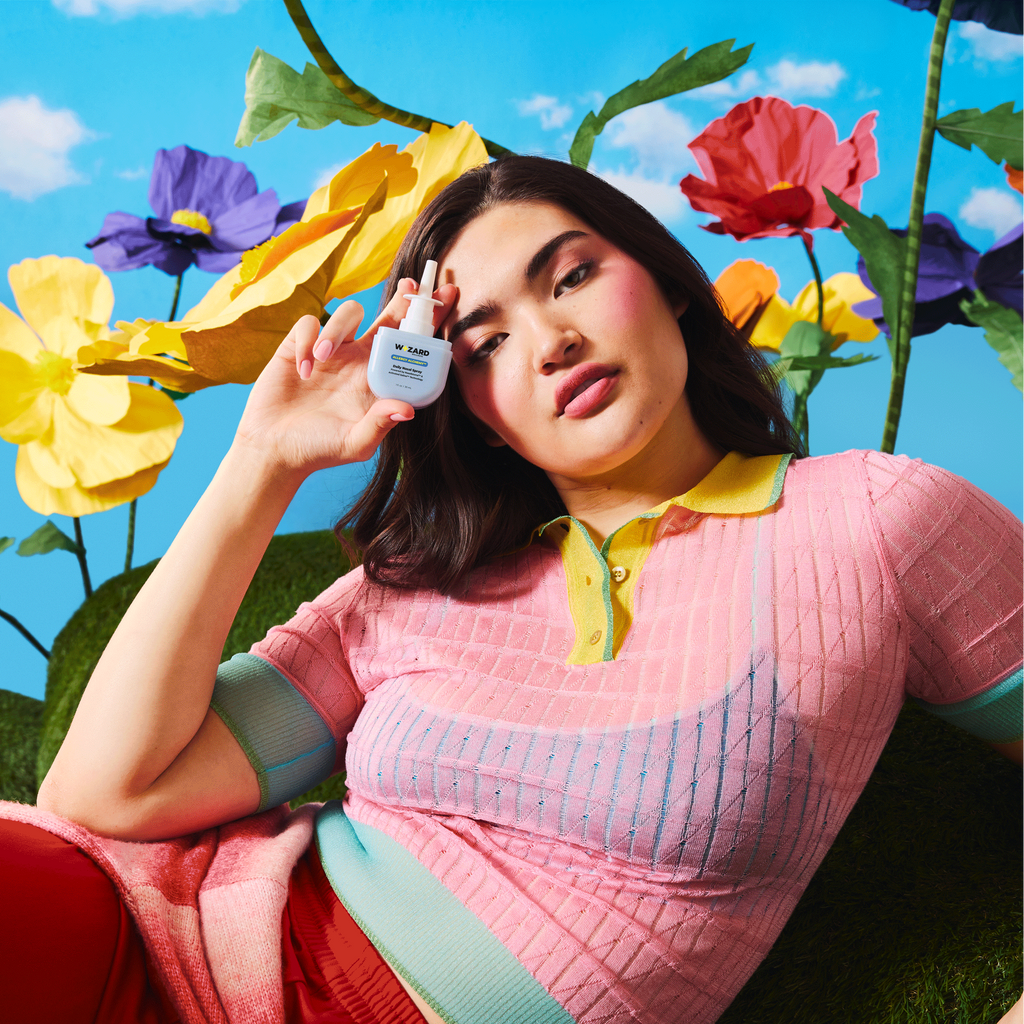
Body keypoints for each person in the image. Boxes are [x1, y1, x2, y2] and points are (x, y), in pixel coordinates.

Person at [3, 154, 1024, 1024]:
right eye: (484, 341)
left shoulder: (878, 520)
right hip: (163, 948)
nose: (549, 341)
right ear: (473, 407)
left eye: (571, 277)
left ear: (665, 279)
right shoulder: (415, 587)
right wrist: (264, 461)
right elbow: (103, 796)